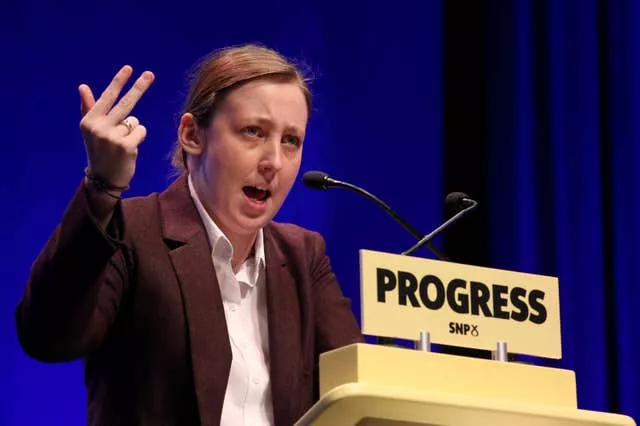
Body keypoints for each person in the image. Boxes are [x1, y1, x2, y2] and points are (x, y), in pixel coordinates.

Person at [15, 44, 363, 426]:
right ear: (192, 135)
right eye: (253, 131)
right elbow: (47, 336)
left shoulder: (303, 256)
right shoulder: (130, 231)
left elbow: (362, 395)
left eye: (290, 140)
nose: (274, 162)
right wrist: (101, 190)